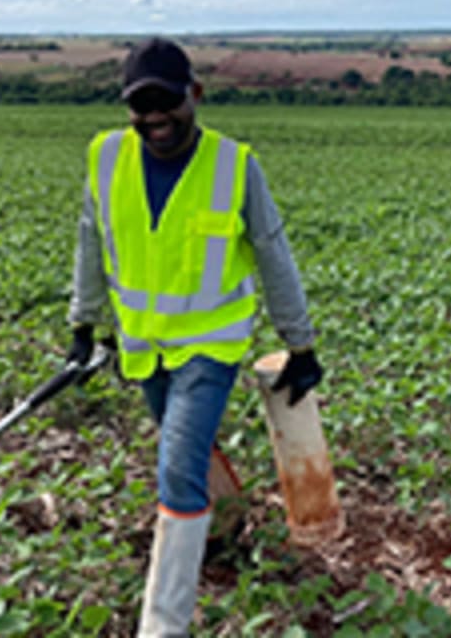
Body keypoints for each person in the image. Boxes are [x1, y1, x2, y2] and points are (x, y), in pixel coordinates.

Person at [66, 36, 323, 636]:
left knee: (177, 466)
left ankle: (164, 625)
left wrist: (301, 343)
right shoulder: (106, 157)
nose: (155, 120)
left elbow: (272, 254)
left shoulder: (235, 165)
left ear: (196, 95)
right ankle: (226, 516)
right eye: (141, 108)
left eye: (167, 104)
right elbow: (89, 241)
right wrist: (83, 324)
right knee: (186, 452)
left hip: (211, 347)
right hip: (144, 348)